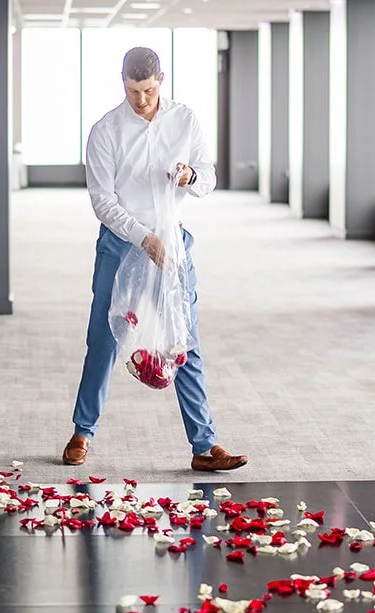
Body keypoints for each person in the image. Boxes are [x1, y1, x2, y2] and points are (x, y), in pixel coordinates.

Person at [62, 46, 247, 473]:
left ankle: (204, 445)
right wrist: (144, 239)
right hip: (122, 243)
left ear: (161, 79)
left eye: (147, 89)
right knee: (104, 338)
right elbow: (102, 202)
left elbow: (208, 177)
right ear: (121, 82)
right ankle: (81, 432)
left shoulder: (185, 120)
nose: (141, 99)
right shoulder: (106, 131)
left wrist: (191, 177)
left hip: (174, 243)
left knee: (184, 339)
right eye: (132, 90)